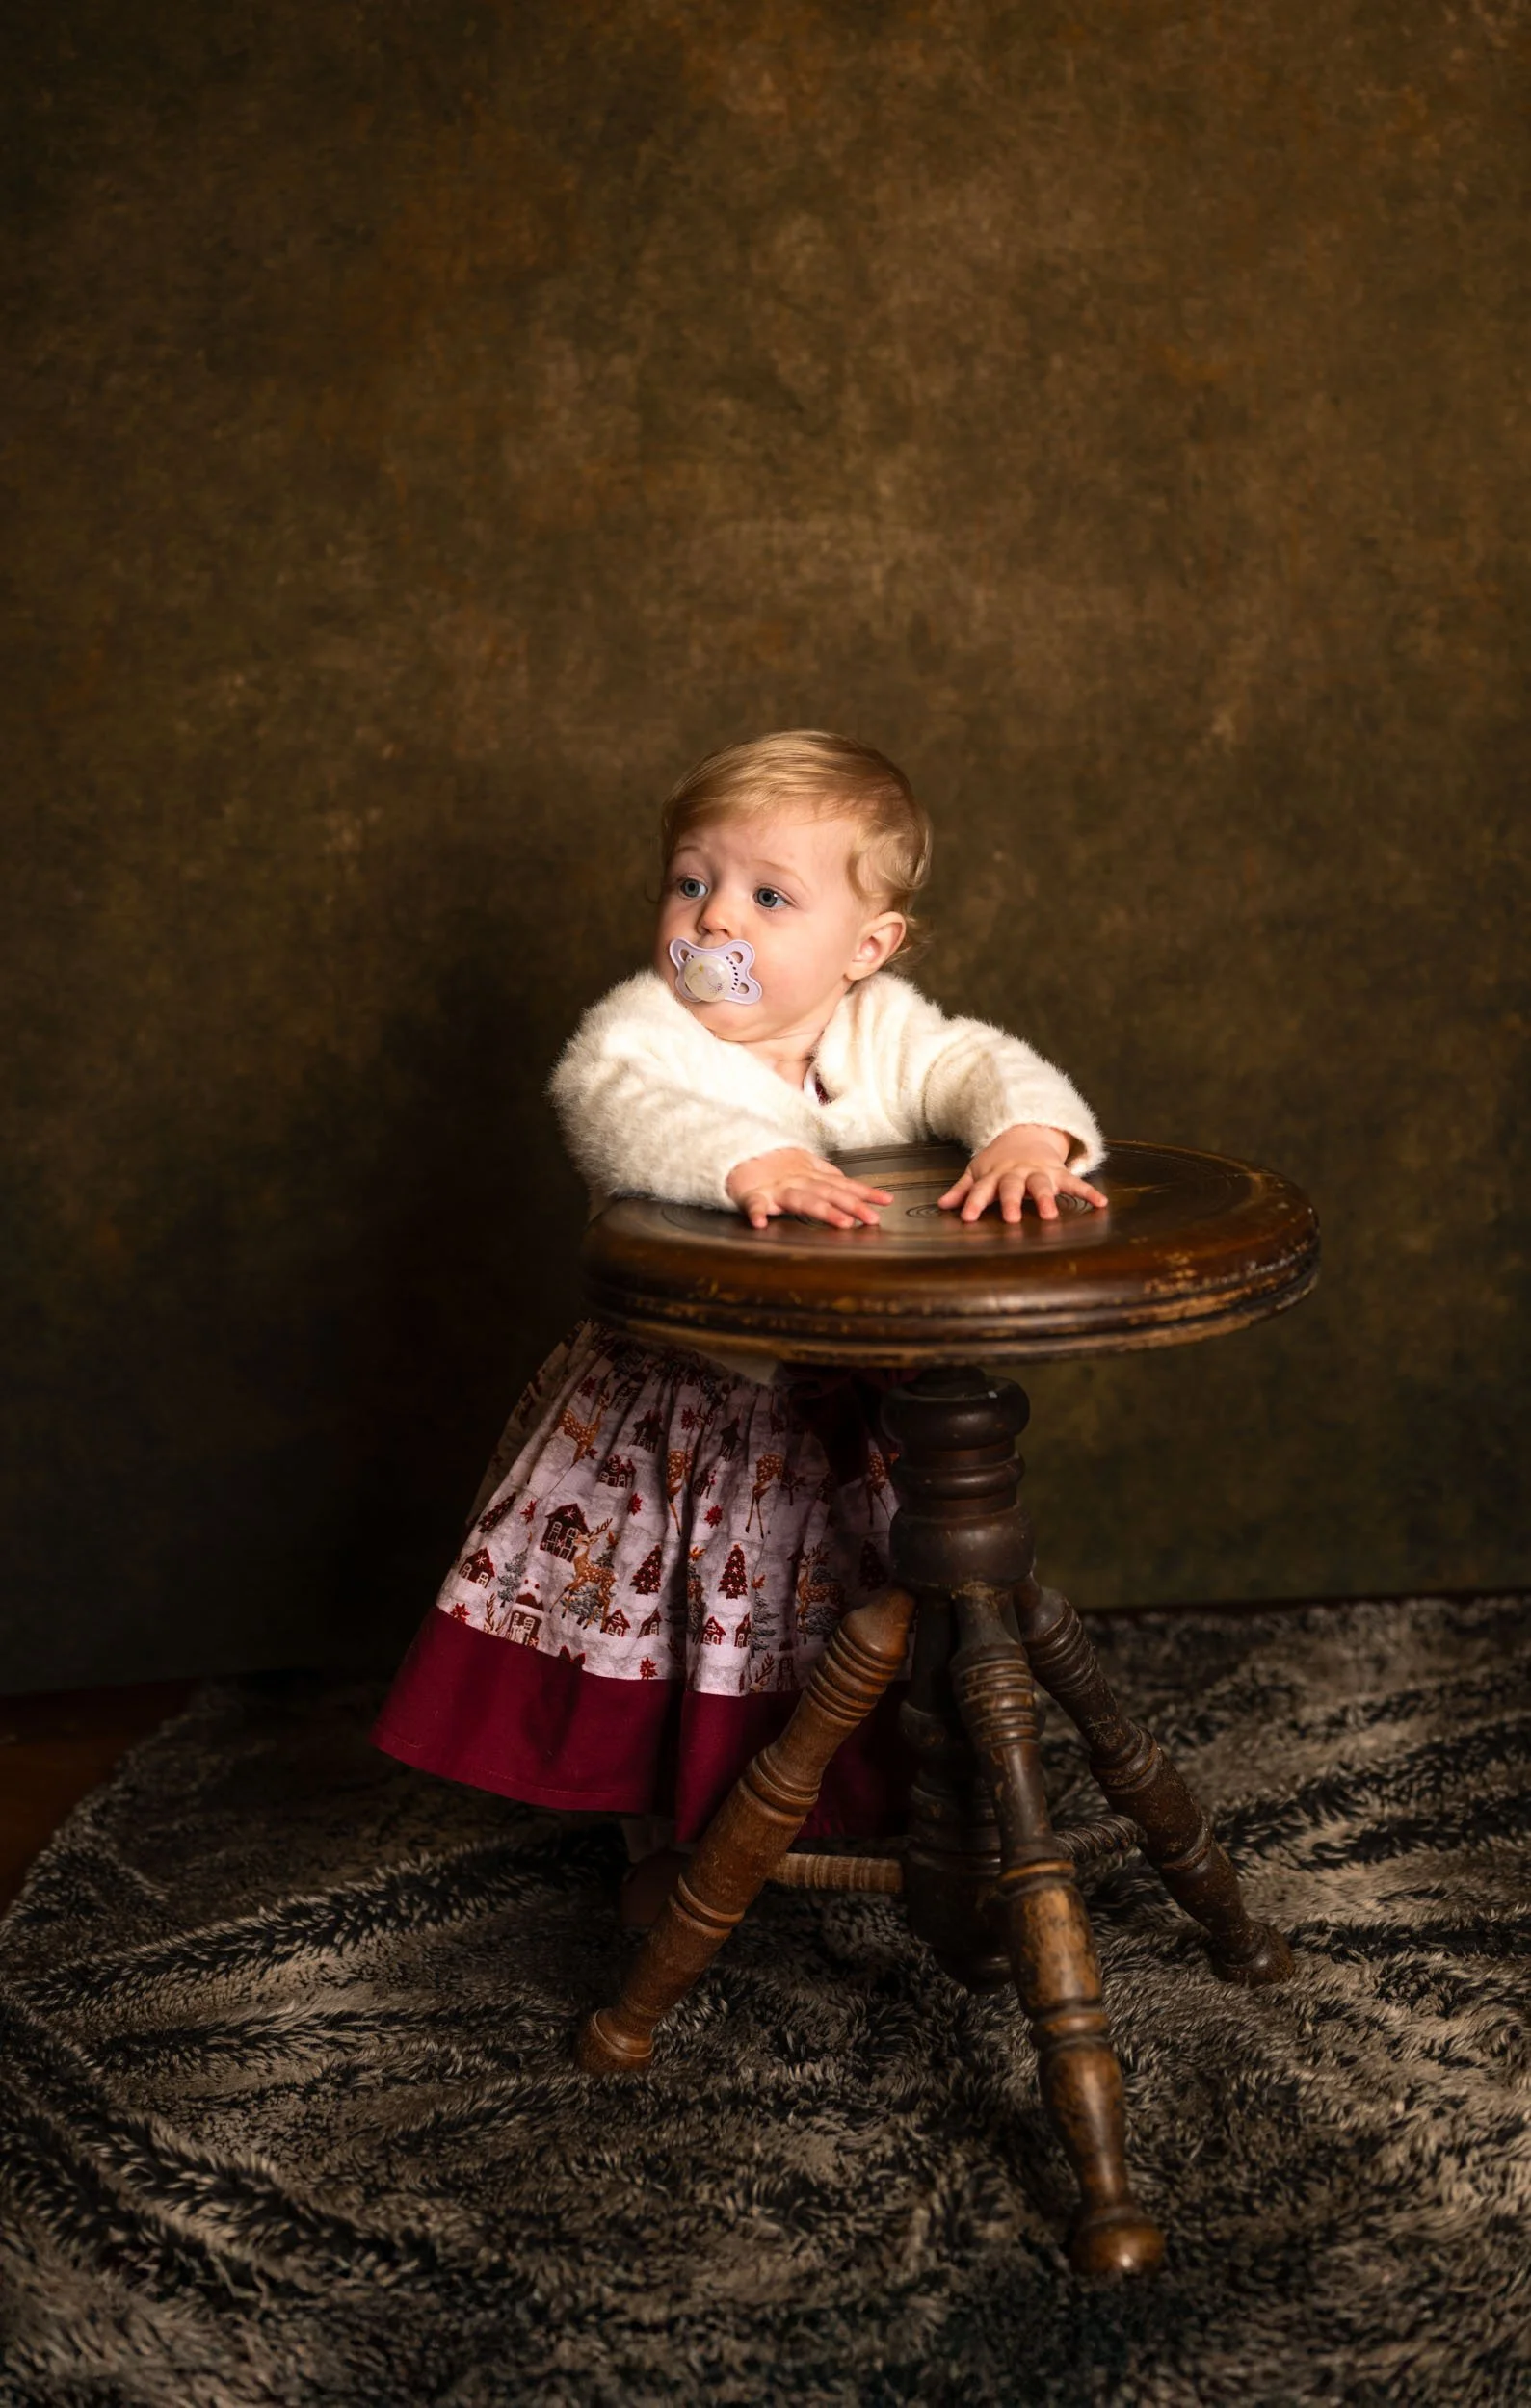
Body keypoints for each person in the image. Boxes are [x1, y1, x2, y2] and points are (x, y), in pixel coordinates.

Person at [372, 731, 1107, 1925]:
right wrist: (743, 1157)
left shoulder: (882, 1028)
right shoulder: (646, 1031)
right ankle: (675, 1817)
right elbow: (611, 1102)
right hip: (686, 1403)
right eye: (689, 881)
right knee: (689, 1605)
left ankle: (842, 1792)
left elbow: (980, 1064)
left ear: (866, 948)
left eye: (769, 896)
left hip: (848, 1389)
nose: (715, 920)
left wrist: (1025, 1133)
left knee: (835, 1599)